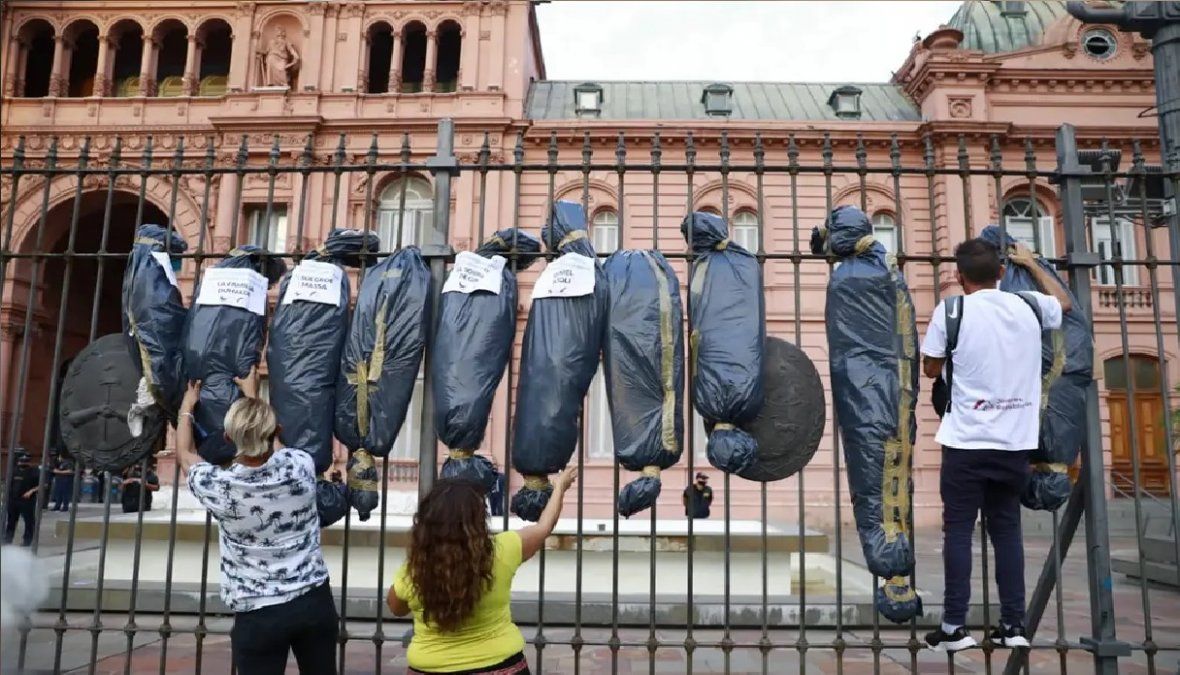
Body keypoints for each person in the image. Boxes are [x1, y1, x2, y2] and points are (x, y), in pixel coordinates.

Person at [919, 239, 1072, 652]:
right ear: (1002, 273)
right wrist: (1034, 264)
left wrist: (944, 362)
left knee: (958, 532)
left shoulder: (951, 310)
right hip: (1014, 444)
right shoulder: (1028, 305)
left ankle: (953, 627)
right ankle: (1013, 625)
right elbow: (1065, 303)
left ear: (958, 276)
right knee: (1006, 533)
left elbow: (930, 365)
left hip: (965, 443)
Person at [176, 367, 337, 674]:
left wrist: (187, 406)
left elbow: (185, 454)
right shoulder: (299, 466)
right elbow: (275, 447)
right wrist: (254, 394)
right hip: (313, 601)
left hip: (258, 611)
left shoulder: (219, 487)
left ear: (227, 437)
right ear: (276, 429)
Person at [387, 467, 579, 674]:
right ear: (478, 519)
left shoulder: (415, 570)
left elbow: (396, 608)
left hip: (430, 666)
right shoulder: (502, 550)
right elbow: (543, 528)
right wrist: (559, 487)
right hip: (500, 665)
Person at [4, 450, 41, 547]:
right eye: (21, 461)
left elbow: (42, 485)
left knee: (29, 521)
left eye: (25, 461)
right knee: (11, 520)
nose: (23, 463)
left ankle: (27, 540)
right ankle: (8, 539)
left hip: (27, 501)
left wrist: (31, 491)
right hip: (13, 499)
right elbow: (9, 484)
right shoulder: (14, 470)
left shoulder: (34, 471)